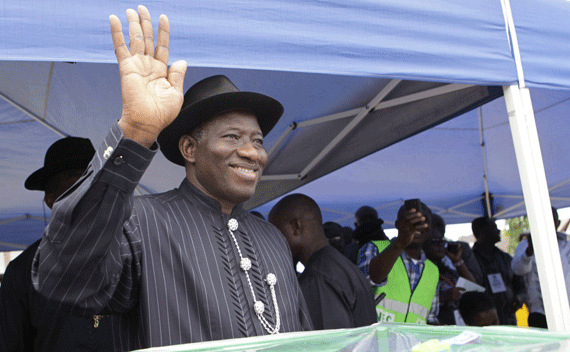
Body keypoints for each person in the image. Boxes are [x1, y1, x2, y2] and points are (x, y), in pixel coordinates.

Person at [31, 6, 312, 351]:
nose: (254, 153)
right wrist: (136, 132)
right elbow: (65, 278)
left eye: (257, 141)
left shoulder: (272, 237)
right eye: (233, 138)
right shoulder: (139, 221)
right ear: (190, 149)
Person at [0, 137, 113, 351]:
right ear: (51, 199)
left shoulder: (131, 252)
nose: (89, 188)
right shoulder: (22, 272)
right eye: (76, 180)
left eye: (95, 178)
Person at [268, 194, 376, 330]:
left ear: (296, 226)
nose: (273, 241)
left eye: (277, 232)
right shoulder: (341, 265)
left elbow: (327, 344)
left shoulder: (318, 277)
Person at [358, 200, 440, 324]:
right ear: (397, 224)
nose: (415, 226)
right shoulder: (374, 248)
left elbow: (431, 318)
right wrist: (401, 242)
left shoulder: (433, 270)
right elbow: (368, 279)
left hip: (413, 343)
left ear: (430, 227)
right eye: (409, 221)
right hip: (374, 340)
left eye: (422, 221)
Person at [511, 207, 570, 329]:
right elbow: (517, 269)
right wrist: (529, 252)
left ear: (557, 223)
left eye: (552, 220)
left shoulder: (566, 245)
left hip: (566, 309)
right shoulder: (525, 246)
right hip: (539, 313)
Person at [468, 217, 525, 325]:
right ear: (481, 232)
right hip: (485, 323)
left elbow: (520, 285)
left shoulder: (506, 259)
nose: (498, 231)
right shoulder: (469, 261)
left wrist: (518, 299)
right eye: (494, 228)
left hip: (509, 319)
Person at [422, 228, 476, 325]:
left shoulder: (447, 271)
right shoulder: (420, 271)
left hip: (458, 323)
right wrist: (444, 297)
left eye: (442, 241)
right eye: (435, 242)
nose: (440, 245)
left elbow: (473, 288)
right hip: (436, 325)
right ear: (423, 245)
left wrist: (457, 261)